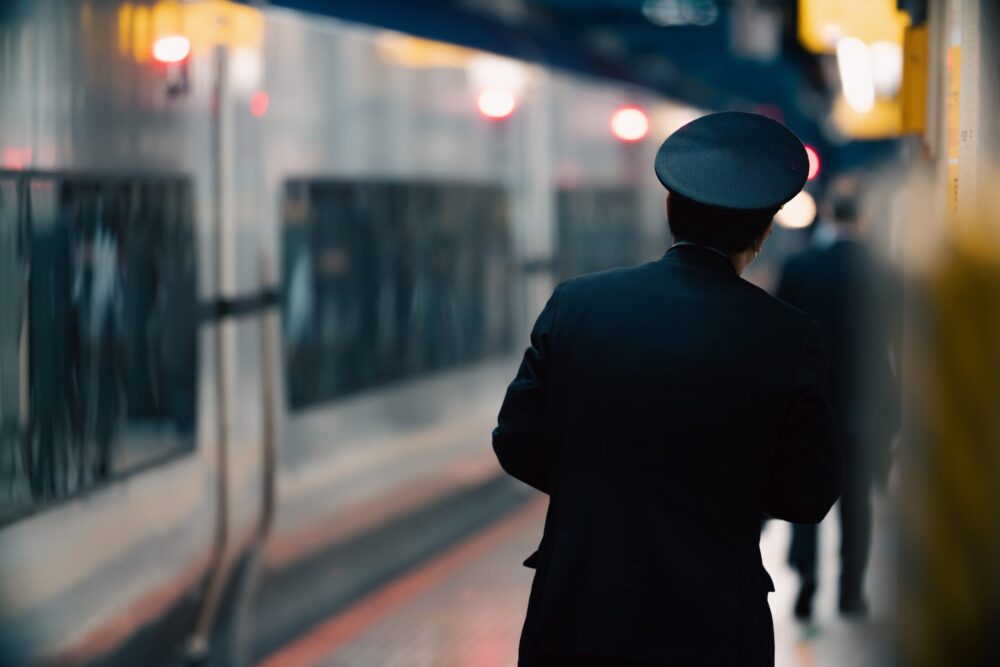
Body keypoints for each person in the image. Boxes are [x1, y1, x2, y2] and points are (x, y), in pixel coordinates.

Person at [493, 111, 842, 667]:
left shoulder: (576, 304)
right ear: (764, 229)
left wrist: (597, 483)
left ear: (668, 210)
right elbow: (809, 493)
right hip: (713, 629)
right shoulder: (787, 336)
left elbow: (515, 442)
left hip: (579, 616)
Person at [776, 177, 899, 620]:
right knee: (857, 506)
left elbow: (782, 340)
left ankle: (807, 582)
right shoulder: (884, 269)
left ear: (828, 213)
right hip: (865, 407)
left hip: (812, 407)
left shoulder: (800, 267)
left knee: (806, 495)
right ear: (861, 216)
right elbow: (897, 344)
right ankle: (851, 593)